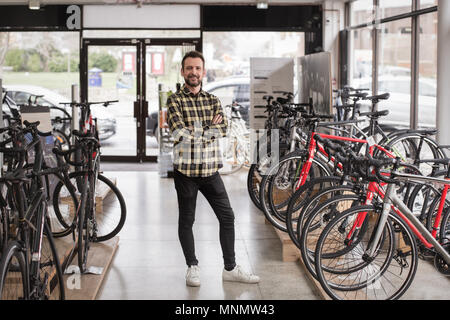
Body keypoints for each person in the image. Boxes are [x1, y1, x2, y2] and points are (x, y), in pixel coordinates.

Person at [167, 50, 260, 287]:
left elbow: (224, 130)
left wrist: (196, 130)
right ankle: (192, 267)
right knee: (187, 220)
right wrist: (209, 127)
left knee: (227, 217)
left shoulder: (212, 100)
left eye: (197, 68)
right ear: (182, 71)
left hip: (210, 171)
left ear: (203, 72)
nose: (193, 72)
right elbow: (178, 133)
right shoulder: (175, 100)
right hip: (186, 172)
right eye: (189, 68)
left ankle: (230, 268)